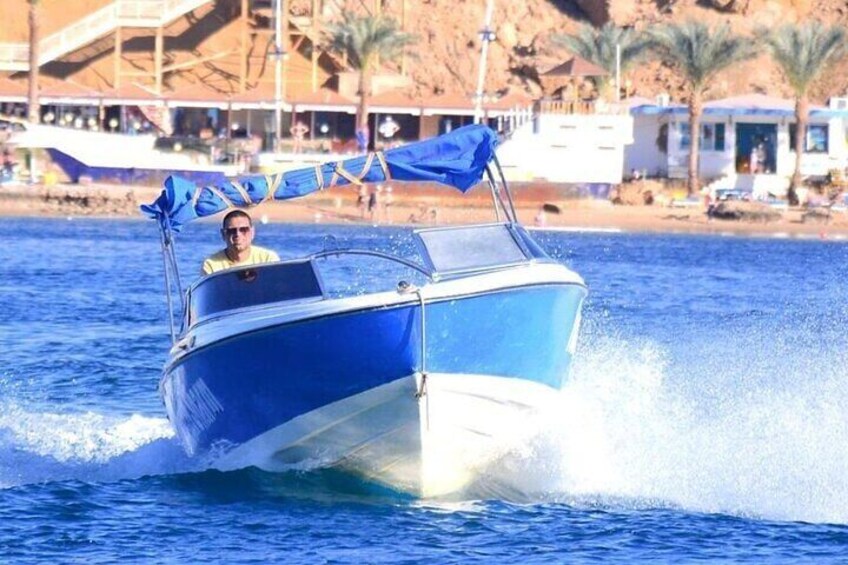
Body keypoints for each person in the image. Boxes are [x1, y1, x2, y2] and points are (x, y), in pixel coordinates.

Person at [201, 210, 279, 275]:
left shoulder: (268, 260)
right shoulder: (211, 265)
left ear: (252, 232)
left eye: (243, 230)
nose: (238, 234)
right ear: (223, 234)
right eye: (232, 231)